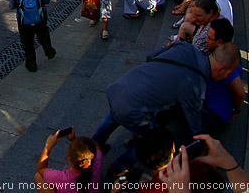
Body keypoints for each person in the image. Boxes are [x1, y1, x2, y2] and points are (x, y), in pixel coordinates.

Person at [92, 42, 240, 174]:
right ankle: (118, 167)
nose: (227, 77)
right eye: (229, 74)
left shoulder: (185, 47)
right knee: (151, 142)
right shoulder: (196, 87)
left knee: (113, 116)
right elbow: (195, 125)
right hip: (133, 110)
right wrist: (202, 145)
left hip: (122, 87)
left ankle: (96, 142)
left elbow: (151, 56)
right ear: (221, 69)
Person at [10, 0, 55, 72]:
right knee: (43, 34)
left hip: (24, 19)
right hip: (40, 15)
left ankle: (31, 64)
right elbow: (47, 0)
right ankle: (49, 51)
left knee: (27, 41)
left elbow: (12, 5)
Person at [35, 128, 103, 193]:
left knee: (39, 177)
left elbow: (41, 168)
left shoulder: (63, 178)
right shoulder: (98, 158)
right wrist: (75, 139)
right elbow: (97, 147)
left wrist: (48, 147)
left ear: (69, 159)